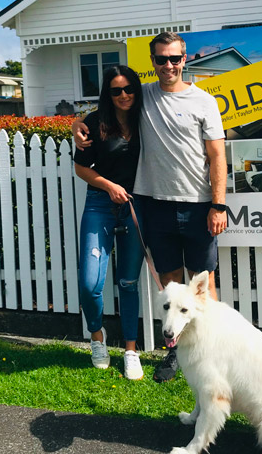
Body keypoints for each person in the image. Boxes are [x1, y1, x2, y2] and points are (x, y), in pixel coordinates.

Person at [74, 31, 227, 383]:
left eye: (174, 58)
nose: (168, 65)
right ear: (153, 62)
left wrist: (218, 205)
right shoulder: (142, 96)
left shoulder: (204, 101)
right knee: (172, 286)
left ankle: (212, 355)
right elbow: (109, 106)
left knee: (204, 285)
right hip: (155, 206)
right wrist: (76, 123)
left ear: (184, 59)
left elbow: (218, 155)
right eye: (161, 59)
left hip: (199, 205)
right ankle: (175, 355)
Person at [73, 65, 146, 381]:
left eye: (128, 88)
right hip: (100, 203)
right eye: (116, 91)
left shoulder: (146, 117)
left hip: (136, 204)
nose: (124, 95)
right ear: (108, 93)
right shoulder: (94, 123)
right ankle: (97, 336)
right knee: (90, 283)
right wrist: (109, 186)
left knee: (128, 282)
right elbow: (81, 168)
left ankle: (130, 350)